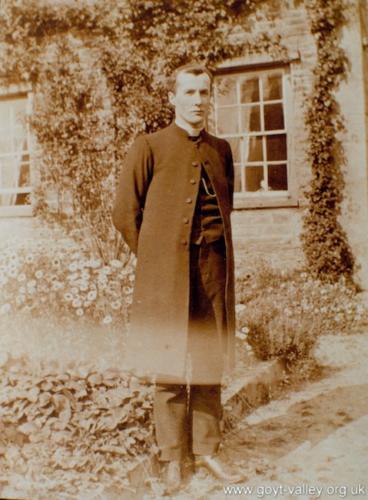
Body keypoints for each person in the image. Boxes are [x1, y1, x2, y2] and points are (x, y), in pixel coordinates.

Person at [112, 62, 239, 493]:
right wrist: (156, 260)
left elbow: (227, 205)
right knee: (167, 368)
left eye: (204, 93)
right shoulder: (148, 146)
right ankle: (170, 459)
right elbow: (124, 213)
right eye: (189, 93)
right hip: (166, 275)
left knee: (208, 363)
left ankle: (205, 451)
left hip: (212, 271)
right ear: (173, 97)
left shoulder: (221, 150)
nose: (198, 101)